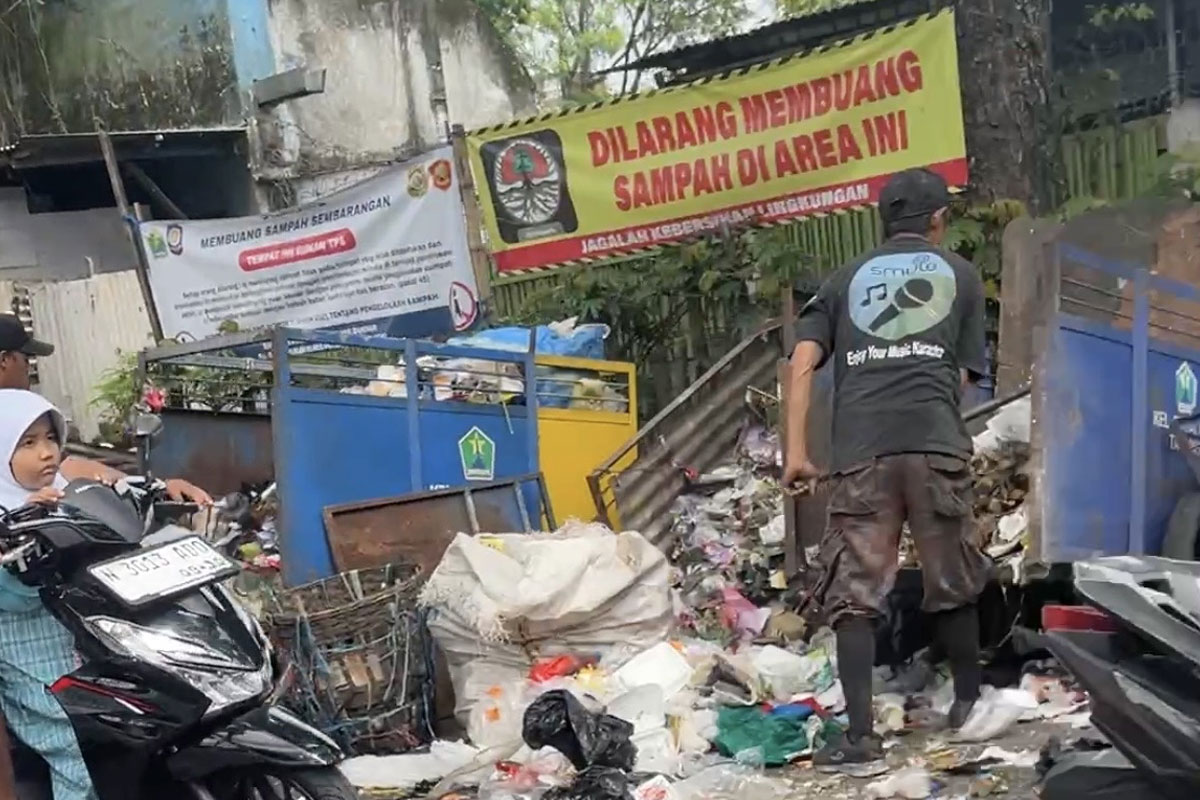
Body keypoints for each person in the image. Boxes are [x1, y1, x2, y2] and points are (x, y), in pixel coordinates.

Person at [783, 168, 992, 775]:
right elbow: (960, 378)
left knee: (856, 593)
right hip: (935, 445)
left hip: (862, 454)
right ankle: (969, 709)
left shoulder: (845, 280)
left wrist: (795, 451)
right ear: (936, 220)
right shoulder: (962, 276)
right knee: (952, 573)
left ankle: (862, 740)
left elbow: (803, 356)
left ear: (884, 223)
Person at [0, 390, 99, 800]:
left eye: (50, 438)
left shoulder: (64, 493)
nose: (46, 453)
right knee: (77, 743)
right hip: (22, 648)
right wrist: (27, 523)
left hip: (74, 637)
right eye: (28, 442)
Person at [0, 314, 210, 505]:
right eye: (25, 360)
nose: (46, 453)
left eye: (51, 437)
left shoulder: (33, 418)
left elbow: (67, 468)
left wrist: (158, 488)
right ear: (4, 360)